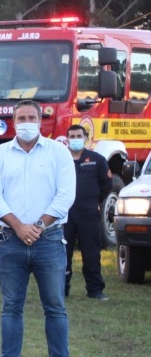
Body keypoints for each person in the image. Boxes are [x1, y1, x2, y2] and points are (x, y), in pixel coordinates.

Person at [0, 100, 80, 357]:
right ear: (14, 122)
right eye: (21, 118)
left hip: (48, 239)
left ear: (40, 121)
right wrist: (19, 226)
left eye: (31, 118)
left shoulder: (58, 152)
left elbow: (65, 195)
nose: (26, 122)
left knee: (55, 306)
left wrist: (37, 226)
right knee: (11, 306)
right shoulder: (0, 154)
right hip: (11, 239)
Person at [65, 124, 112, 300]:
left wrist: (93, 201)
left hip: (89, 213)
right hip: (65, 214)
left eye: (79, 136)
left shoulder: (97, 159)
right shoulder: (61, 160)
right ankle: (62, 289)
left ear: (85, 138)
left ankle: (95, 290)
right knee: (63, 254)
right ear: (67, 139)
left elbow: (106, 185)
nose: (75, 139)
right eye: (72, 136)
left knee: (91, 253)